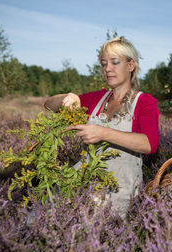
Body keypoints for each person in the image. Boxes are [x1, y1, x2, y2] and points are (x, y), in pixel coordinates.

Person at [44, 36, 159, 217]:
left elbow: (149, 144)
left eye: (115, 62)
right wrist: (70, 96)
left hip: (118, 188)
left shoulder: (145, 102)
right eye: (104, 64)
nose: (107, 69)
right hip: (81, 180)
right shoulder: (97, 99)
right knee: (41, 217)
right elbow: (49, 105)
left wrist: (102, 133)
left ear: (130, 66)